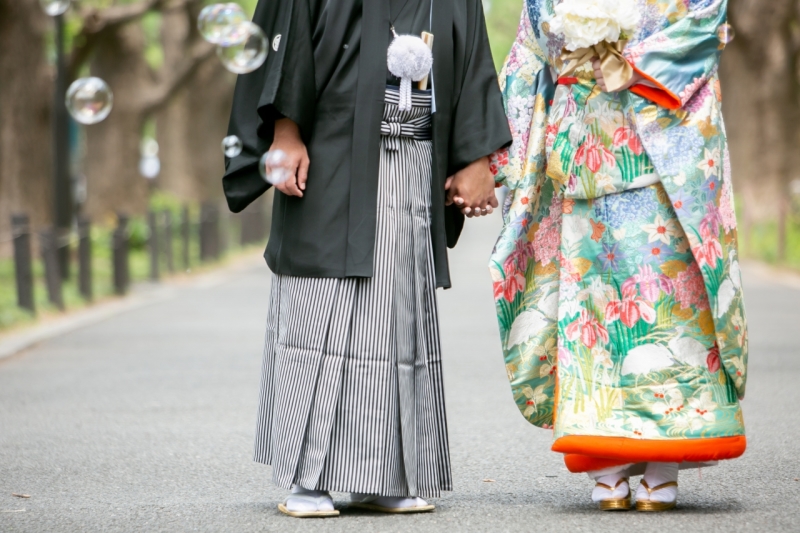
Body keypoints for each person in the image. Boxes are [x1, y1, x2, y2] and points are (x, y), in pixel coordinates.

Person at [222, 0, 511, 518]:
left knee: (398, 314)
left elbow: (471, 60)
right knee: (320, 308)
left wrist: (475, 156)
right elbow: (288, 37)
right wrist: (286, 135)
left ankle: (388, 475)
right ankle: (307, 478)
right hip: (330, 151)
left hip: (414, 158)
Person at [490, 0, 748, 512]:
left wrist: (628, 60)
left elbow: (705, 21)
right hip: (585, 142)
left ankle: (664, 458)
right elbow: (530, 46)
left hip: (661, 145)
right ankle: (604, 454)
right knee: (593, 301)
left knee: (669, 296)